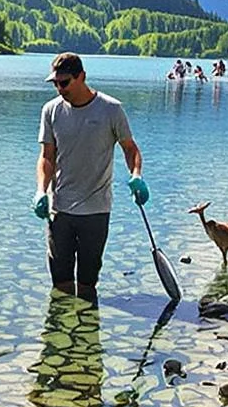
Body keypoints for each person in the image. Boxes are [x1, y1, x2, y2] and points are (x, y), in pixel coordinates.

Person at [34, 52, 145, 300]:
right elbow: (47, 157)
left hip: (96, 211)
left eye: (64, 83)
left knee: (87, 285)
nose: (59, 89)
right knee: (60, 284)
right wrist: (41, 191)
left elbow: (131, 149)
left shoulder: (111, 109)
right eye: (55, 83)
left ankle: (87, 332)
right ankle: (60, 334)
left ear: (81, 77)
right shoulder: (50, 111)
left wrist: (136, 175)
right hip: (60, 209)